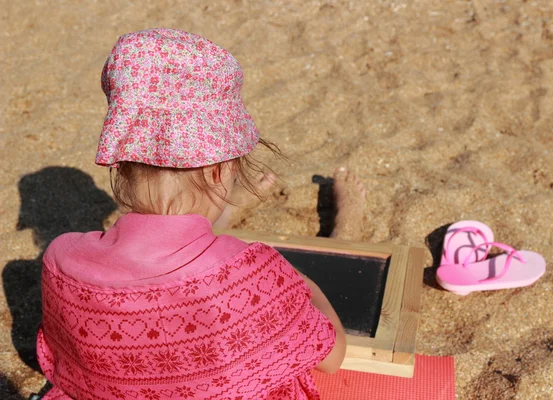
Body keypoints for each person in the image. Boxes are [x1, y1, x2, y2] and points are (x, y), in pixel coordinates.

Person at [36, 28, 366, 400]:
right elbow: (331, 356)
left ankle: (232, 207)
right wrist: (303, 283)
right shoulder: (251, 273)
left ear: (120, 166)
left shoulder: (60, 259)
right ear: (217, 171)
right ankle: (343, 232)